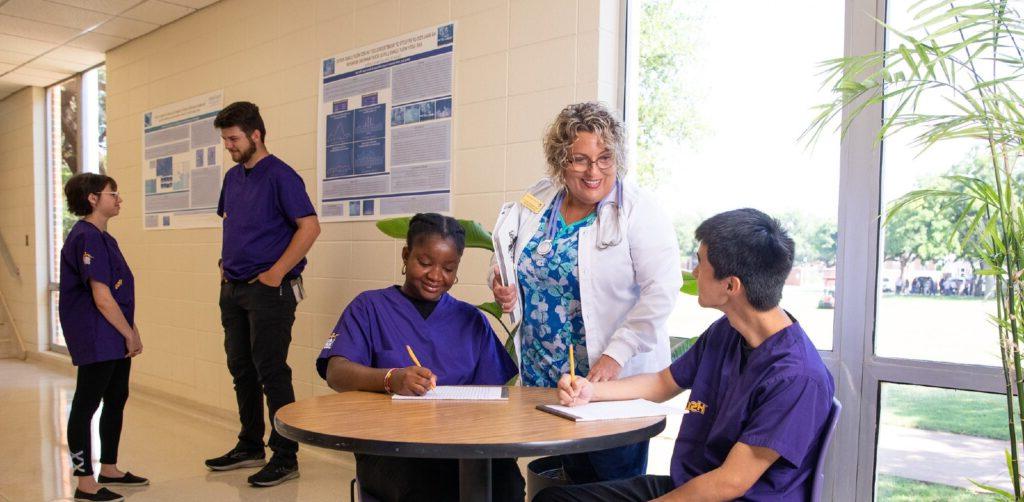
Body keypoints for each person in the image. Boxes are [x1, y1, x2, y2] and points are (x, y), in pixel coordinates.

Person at [536, 208, 836, 502]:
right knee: (552, 499)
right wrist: (592, 391)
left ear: (731, 285)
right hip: (692, 485)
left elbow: (729, 483)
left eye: (700, 263)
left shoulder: (798, 377)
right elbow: (663, 382)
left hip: (727, 495)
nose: (693, 272)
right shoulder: (727, 332)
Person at [489, 101, 681, 482]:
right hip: (548, 382)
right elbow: (508, 249)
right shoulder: (539, 199)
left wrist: (615, 355)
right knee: (570, 483)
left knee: (610, 485)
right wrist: (501, 283)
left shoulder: (639, 210)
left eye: (605, 158)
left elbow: (661, 292)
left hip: (609, 381)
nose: (595, 171)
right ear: (561, 161)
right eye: (580, 160)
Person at [317, 213, 523, 502]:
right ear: (406, 255)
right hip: (393, 449)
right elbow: (335, 371)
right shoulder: (369, 307)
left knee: (506, 483)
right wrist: (391, 379)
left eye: (449, 268)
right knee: (429, 489)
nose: (436, 276)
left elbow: (494, 394)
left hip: (461, 445)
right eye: (425, 263)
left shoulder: (471, 320)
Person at [204, 101, 321, 487]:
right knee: (241, 368)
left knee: (271, 370)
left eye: (234, 139)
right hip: (234, 288)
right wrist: (224, 268)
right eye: (225, 139)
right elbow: (233, 224)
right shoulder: (233, 178)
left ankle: (285, 456)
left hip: (269, 291)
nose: (229, 146)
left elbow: (309, 228)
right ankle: (249, 444)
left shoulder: (281, 176)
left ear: (256, 135)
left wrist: (276, 272)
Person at [59, 173, 148, 502]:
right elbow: (101, 297)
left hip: (114, 332)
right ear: (93, 198)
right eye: (113, 193)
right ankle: (85, 482)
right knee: (86, 404)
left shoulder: (105, 238)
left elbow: (118, 292)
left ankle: (108, 467)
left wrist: (131, 329)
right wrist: (128, 333)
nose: (119, 198)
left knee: (116, 397)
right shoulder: (86, 236)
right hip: (96, 334)